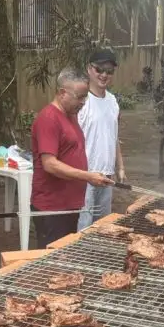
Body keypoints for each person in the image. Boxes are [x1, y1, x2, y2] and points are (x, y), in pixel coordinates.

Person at [31, 67, 113, 247]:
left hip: (69, 205)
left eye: (85, 97)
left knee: (63, 258)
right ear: (62, 93)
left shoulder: (70, 115)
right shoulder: (49, 118)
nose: (83, 102)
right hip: (52, 208)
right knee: (51, 262)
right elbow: (50, 164)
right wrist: (88, 176)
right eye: (80, 97)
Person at [77, 49, 126, 231]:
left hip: (106, 176)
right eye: (99, 69)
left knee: (103, 227)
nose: (104, 75)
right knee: (83, 226)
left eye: (109, 71)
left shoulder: (113, 101)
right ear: (89, 69)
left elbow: (114, 136)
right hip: (85, 176)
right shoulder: (82, 101)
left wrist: (120, 166)